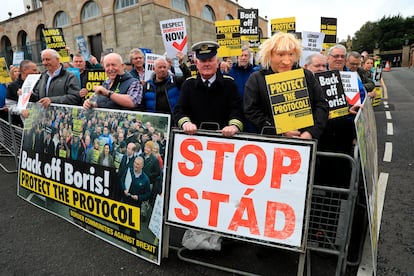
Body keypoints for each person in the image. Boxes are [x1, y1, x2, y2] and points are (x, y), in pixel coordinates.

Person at [244, 32, 328, 139]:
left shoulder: (306, 75)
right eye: (281, 54)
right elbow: (251, 111)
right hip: (272, 144)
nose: (287, 61)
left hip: (307, 142)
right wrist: (279, 131)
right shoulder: (256, 79)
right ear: (270, 55)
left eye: (291, 54)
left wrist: (311, 133)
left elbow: (321, 105)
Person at [174, 41, 244, 137]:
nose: (207, 64)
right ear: (196, 63)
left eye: (210, 60)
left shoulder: (229, 84)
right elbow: (179, 110)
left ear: (217, 62)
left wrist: (233, 126)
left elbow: (237, 110)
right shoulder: (188, 85)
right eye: (203, 61)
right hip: (194, 140)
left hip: (223, 140)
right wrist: (186, 124)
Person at [142, 55, 190, 121]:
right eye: (160, 67)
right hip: (154, 122)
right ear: (154, 69)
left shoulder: (175, 81)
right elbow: (142, 105)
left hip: (174, 120)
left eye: (164, 67)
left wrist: (181, 64)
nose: (162, 69)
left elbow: (188, 78)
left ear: (168, 68)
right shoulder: (147, 85)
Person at [228, 46, 257, 132]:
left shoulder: (254, 73)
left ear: (249, 57)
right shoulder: (230, 72)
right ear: (237, 57)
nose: (243, 58)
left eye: (246, 55)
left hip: (251, 115)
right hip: (235, 114)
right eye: (241, 55)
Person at [5, 60, 39, 126]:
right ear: (24, 70)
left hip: (41, 119)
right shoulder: (13, 86)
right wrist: (21, 111)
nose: (37, 72)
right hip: (24, 124)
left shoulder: (40, 81)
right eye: (34, 70)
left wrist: (31, 94)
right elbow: (10, 105)